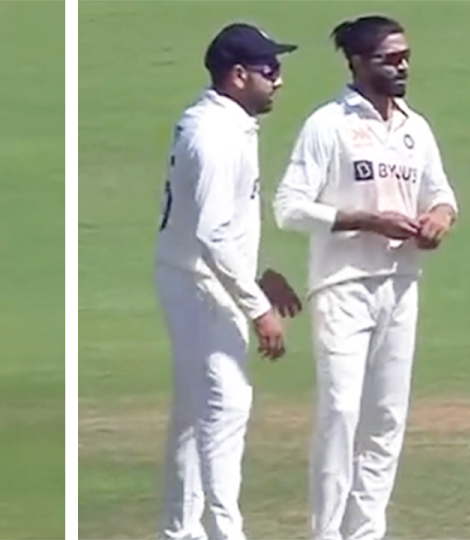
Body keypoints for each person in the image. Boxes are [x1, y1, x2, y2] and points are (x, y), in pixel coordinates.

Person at [272, 15, 459, 540]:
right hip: (344, 284)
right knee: (340, 411)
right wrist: (365, 220)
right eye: (389, 58)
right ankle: (326, 533)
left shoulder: (414, 128)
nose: (402, 66)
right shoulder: (328, 124)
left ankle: (365, 533)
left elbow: (442, 194)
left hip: (400, 285)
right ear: (357, 62)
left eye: (405, 56)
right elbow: (288, 208)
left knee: (386, 419)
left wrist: (439, 219)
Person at [154, 22, 303, 540]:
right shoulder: (214, 135)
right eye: (270, 70)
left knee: (197, 410)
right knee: (225, 404)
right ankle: (222, 532)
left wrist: (259, 273)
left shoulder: (221, 122)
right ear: (238, 76)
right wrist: (258, 307)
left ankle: (179, 530)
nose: (279, 80)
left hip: (198, 275)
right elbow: (213, 233)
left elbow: (219, 221)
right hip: (199, 282)